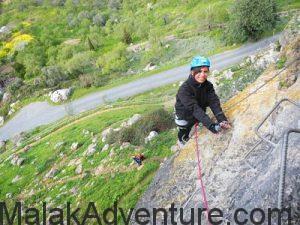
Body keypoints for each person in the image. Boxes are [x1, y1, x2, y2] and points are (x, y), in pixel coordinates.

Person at [174, 56, 231, 148]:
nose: (203, 74)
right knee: (184, 131)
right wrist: (211, 126)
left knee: (199, 119)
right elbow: (194, 108)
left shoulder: (208, 86)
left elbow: (214, 103)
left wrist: (222, 120)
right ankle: (182, 140)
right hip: (184, 116)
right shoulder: (184, 89)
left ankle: (197, 124)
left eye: (205, 71)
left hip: (198, 112)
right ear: (192, 72)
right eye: (199, 71)